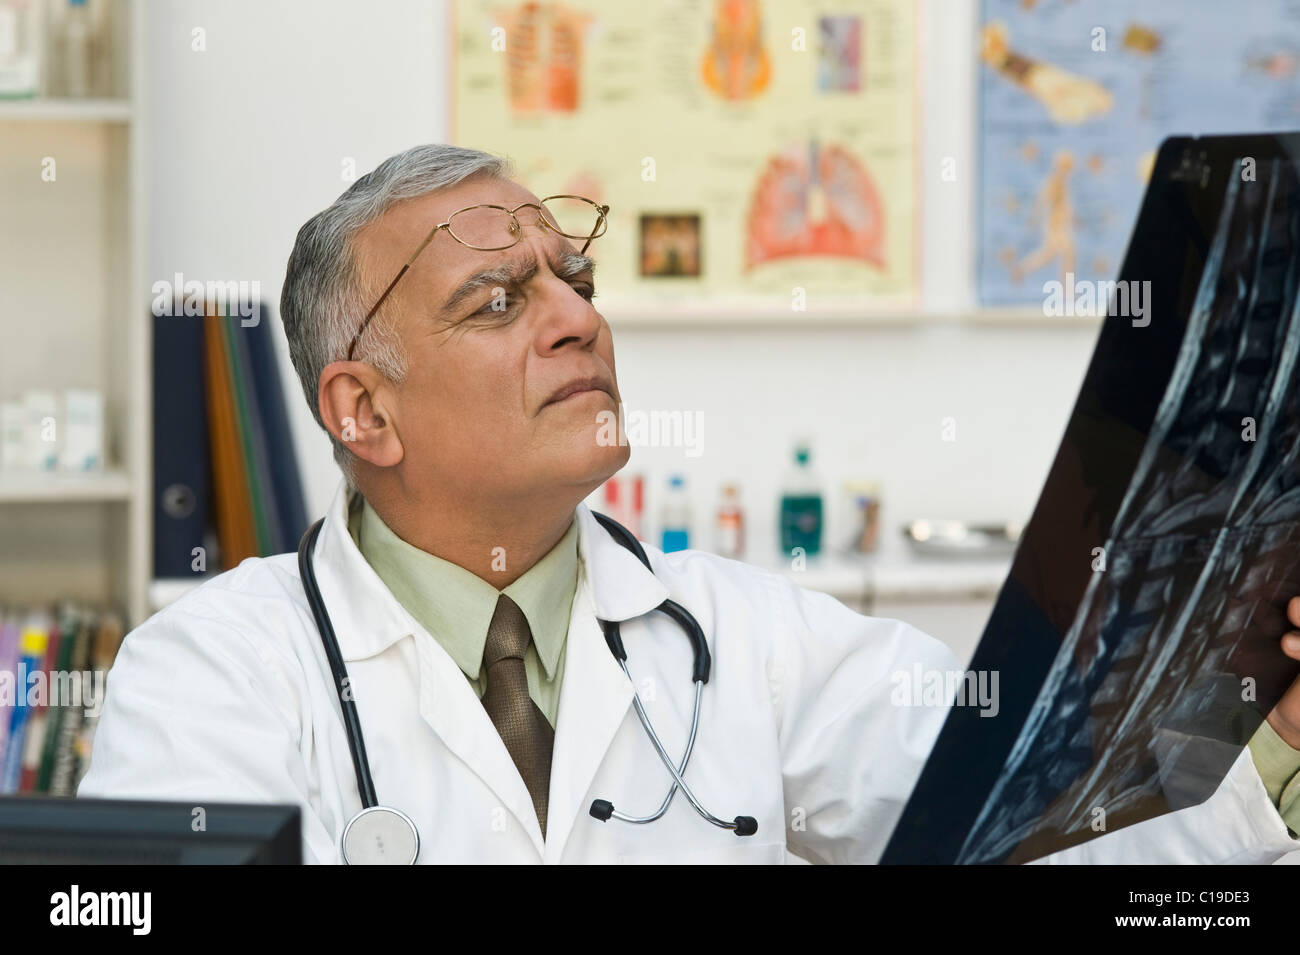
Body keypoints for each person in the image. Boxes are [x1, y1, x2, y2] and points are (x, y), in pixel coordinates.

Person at [78, 144, 1300, 864]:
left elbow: (1050, 825)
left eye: (576, 279)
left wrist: (1271, 728)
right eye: (497, 302)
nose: (577, 318)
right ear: (363, 411)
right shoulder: (214, 670)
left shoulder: (752, 638)